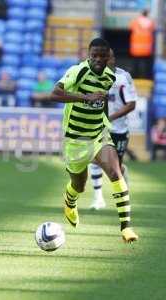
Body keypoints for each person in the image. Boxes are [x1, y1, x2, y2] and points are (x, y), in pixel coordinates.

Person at [49, 38, 138, 243]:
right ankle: (70, 201)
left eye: (102, 55)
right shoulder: (77, 71)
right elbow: (54, 94)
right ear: (89, 55)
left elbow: (103, 100)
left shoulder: (109, 77)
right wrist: (85, 98)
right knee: (79, 185)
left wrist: (105, 121)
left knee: (116, 172)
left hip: (98, 135)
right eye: (94, 55)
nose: (98, 59)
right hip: (75, 139)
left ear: (109, 57)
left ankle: (126, 228)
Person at [89, 49, 137, 210]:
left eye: (104, 58)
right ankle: (98, 199)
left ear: (112, 59)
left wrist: (111, 117)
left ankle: (123, 186)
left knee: (115, 169)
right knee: (94, 160)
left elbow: (131, 104)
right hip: (100, 129)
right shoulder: (92, 76)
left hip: (119, 129)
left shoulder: (123, 78)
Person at [129, 9, 155, 79]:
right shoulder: (151, 22)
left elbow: (130, 28)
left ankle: (135, 77)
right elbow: (153, 30)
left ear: (141, 14)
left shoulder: (135, 21)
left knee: (135, 64)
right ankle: (147, 77)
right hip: (147, 49)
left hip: (136, 48)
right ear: (147, 14)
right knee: (147, 65)